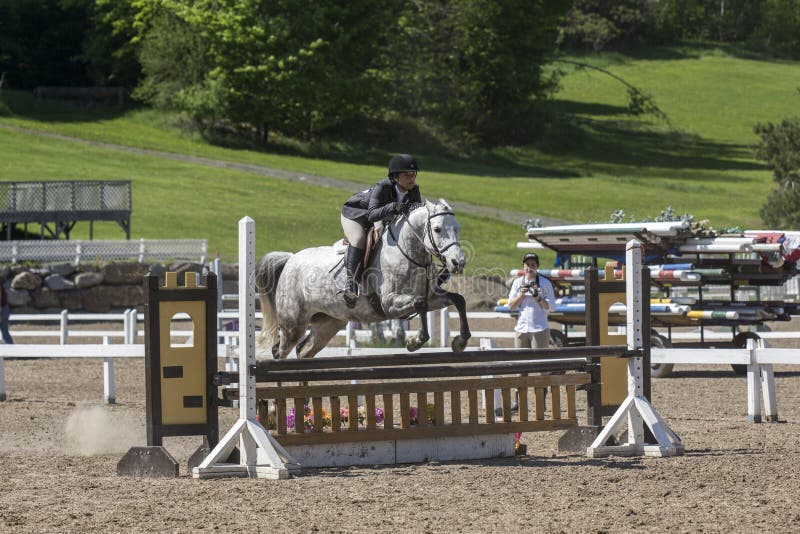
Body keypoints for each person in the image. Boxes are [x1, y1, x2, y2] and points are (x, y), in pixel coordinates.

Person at [340, 154, 422, 307]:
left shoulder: (414, 191)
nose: (412, 179)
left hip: (380, 215)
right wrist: (392, 206)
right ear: (396, 177)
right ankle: (351, 283)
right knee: (359, 239)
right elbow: (372, 214)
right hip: (356, 214)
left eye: (413, 175)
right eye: (407, 175)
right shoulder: (382, 187)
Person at [507, 252, 556, 348]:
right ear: (523, 266)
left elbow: (552, 308)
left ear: (537, 267)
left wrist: (538, 298)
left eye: (533, 265)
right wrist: (521, 295)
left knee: (538, 361)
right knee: (520, 361)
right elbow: (511, 306)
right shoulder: (517, 282)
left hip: (540, 329)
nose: (529, 268)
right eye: (527, 264)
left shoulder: (545, 283)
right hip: (521, 329)